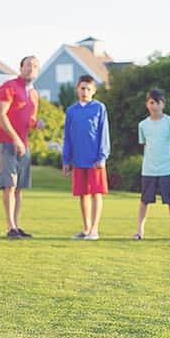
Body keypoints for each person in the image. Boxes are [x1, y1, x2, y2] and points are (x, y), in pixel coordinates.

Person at [0, 56, 41, 238]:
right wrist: (15, 139)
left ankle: (17, 225)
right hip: (5, 142)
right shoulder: (9, 87)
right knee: (9, 185)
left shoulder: (34, 94)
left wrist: (37, 124)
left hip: (23, 144)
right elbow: (1, 115)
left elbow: (30, 120)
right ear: (21, 68)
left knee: (19, 187)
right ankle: (10, 226)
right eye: (28, 65)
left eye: (35, 66)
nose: (31, 68)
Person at [62, 75, 110, 240]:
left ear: (94, 91)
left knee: (96, 193)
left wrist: (102, 156)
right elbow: (67, 137)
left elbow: (104, 133)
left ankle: (94, 230)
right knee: (83, 194)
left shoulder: (99, 108)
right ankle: (86, 228)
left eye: (88, 89)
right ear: (77, 89)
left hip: (95, 160)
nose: (85, 92)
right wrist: (66, 160)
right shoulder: (71, 111)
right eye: (82, 88)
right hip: (78, 159)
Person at [133, 89, 170, 240]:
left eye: (158, 102)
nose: (155, 106)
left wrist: (166, 156)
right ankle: (140, 231)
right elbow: (145, 144)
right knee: (144, 201)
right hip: (148, 169)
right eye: (151, 102)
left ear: (163, 104)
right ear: (147, 104)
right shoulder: (142, 125)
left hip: (167, 169)